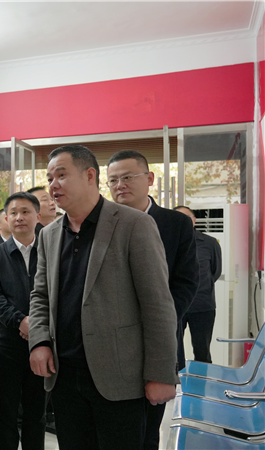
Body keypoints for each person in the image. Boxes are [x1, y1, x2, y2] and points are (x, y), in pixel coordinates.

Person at [28, 145, 178, 450]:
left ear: (89, 176)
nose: (53, 185)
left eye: (61, 175)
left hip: (119, 375)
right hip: (64, 375)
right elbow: (40, 295)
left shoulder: (133, 224)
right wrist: (40, 341)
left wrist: (161, 374)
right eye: (49, 178)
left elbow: (157, 304)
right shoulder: (48, 234)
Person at [107, 150, 198, 450]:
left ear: (149, 179)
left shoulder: (176, 224)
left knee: (147, 428)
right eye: (113, 180)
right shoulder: (102, 223)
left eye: (127, 177)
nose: (120, 185)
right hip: (112, 343)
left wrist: (160, 319)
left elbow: (186, 282)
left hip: (157, 340)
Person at [0, 192, 46, 450]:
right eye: (14, 213)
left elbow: (57, 293)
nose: (19, 217)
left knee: (37, 412)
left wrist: (37, 326)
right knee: (5, 412)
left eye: (26, 211)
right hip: (6, 347)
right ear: (6, 219)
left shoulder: (50, 251)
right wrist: (20, 321)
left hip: (42, 344)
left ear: (37, 216)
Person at [175, 205, 223, 363]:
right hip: (175, 306)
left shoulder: (209, 243)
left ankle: (202, 379)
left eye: (186, 218)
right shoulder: (166, 242)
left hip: (202, 306)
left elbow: (215, 271)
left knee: (202, 351)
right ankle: (177, 380)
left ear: (194, 220)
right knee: (173, 351)